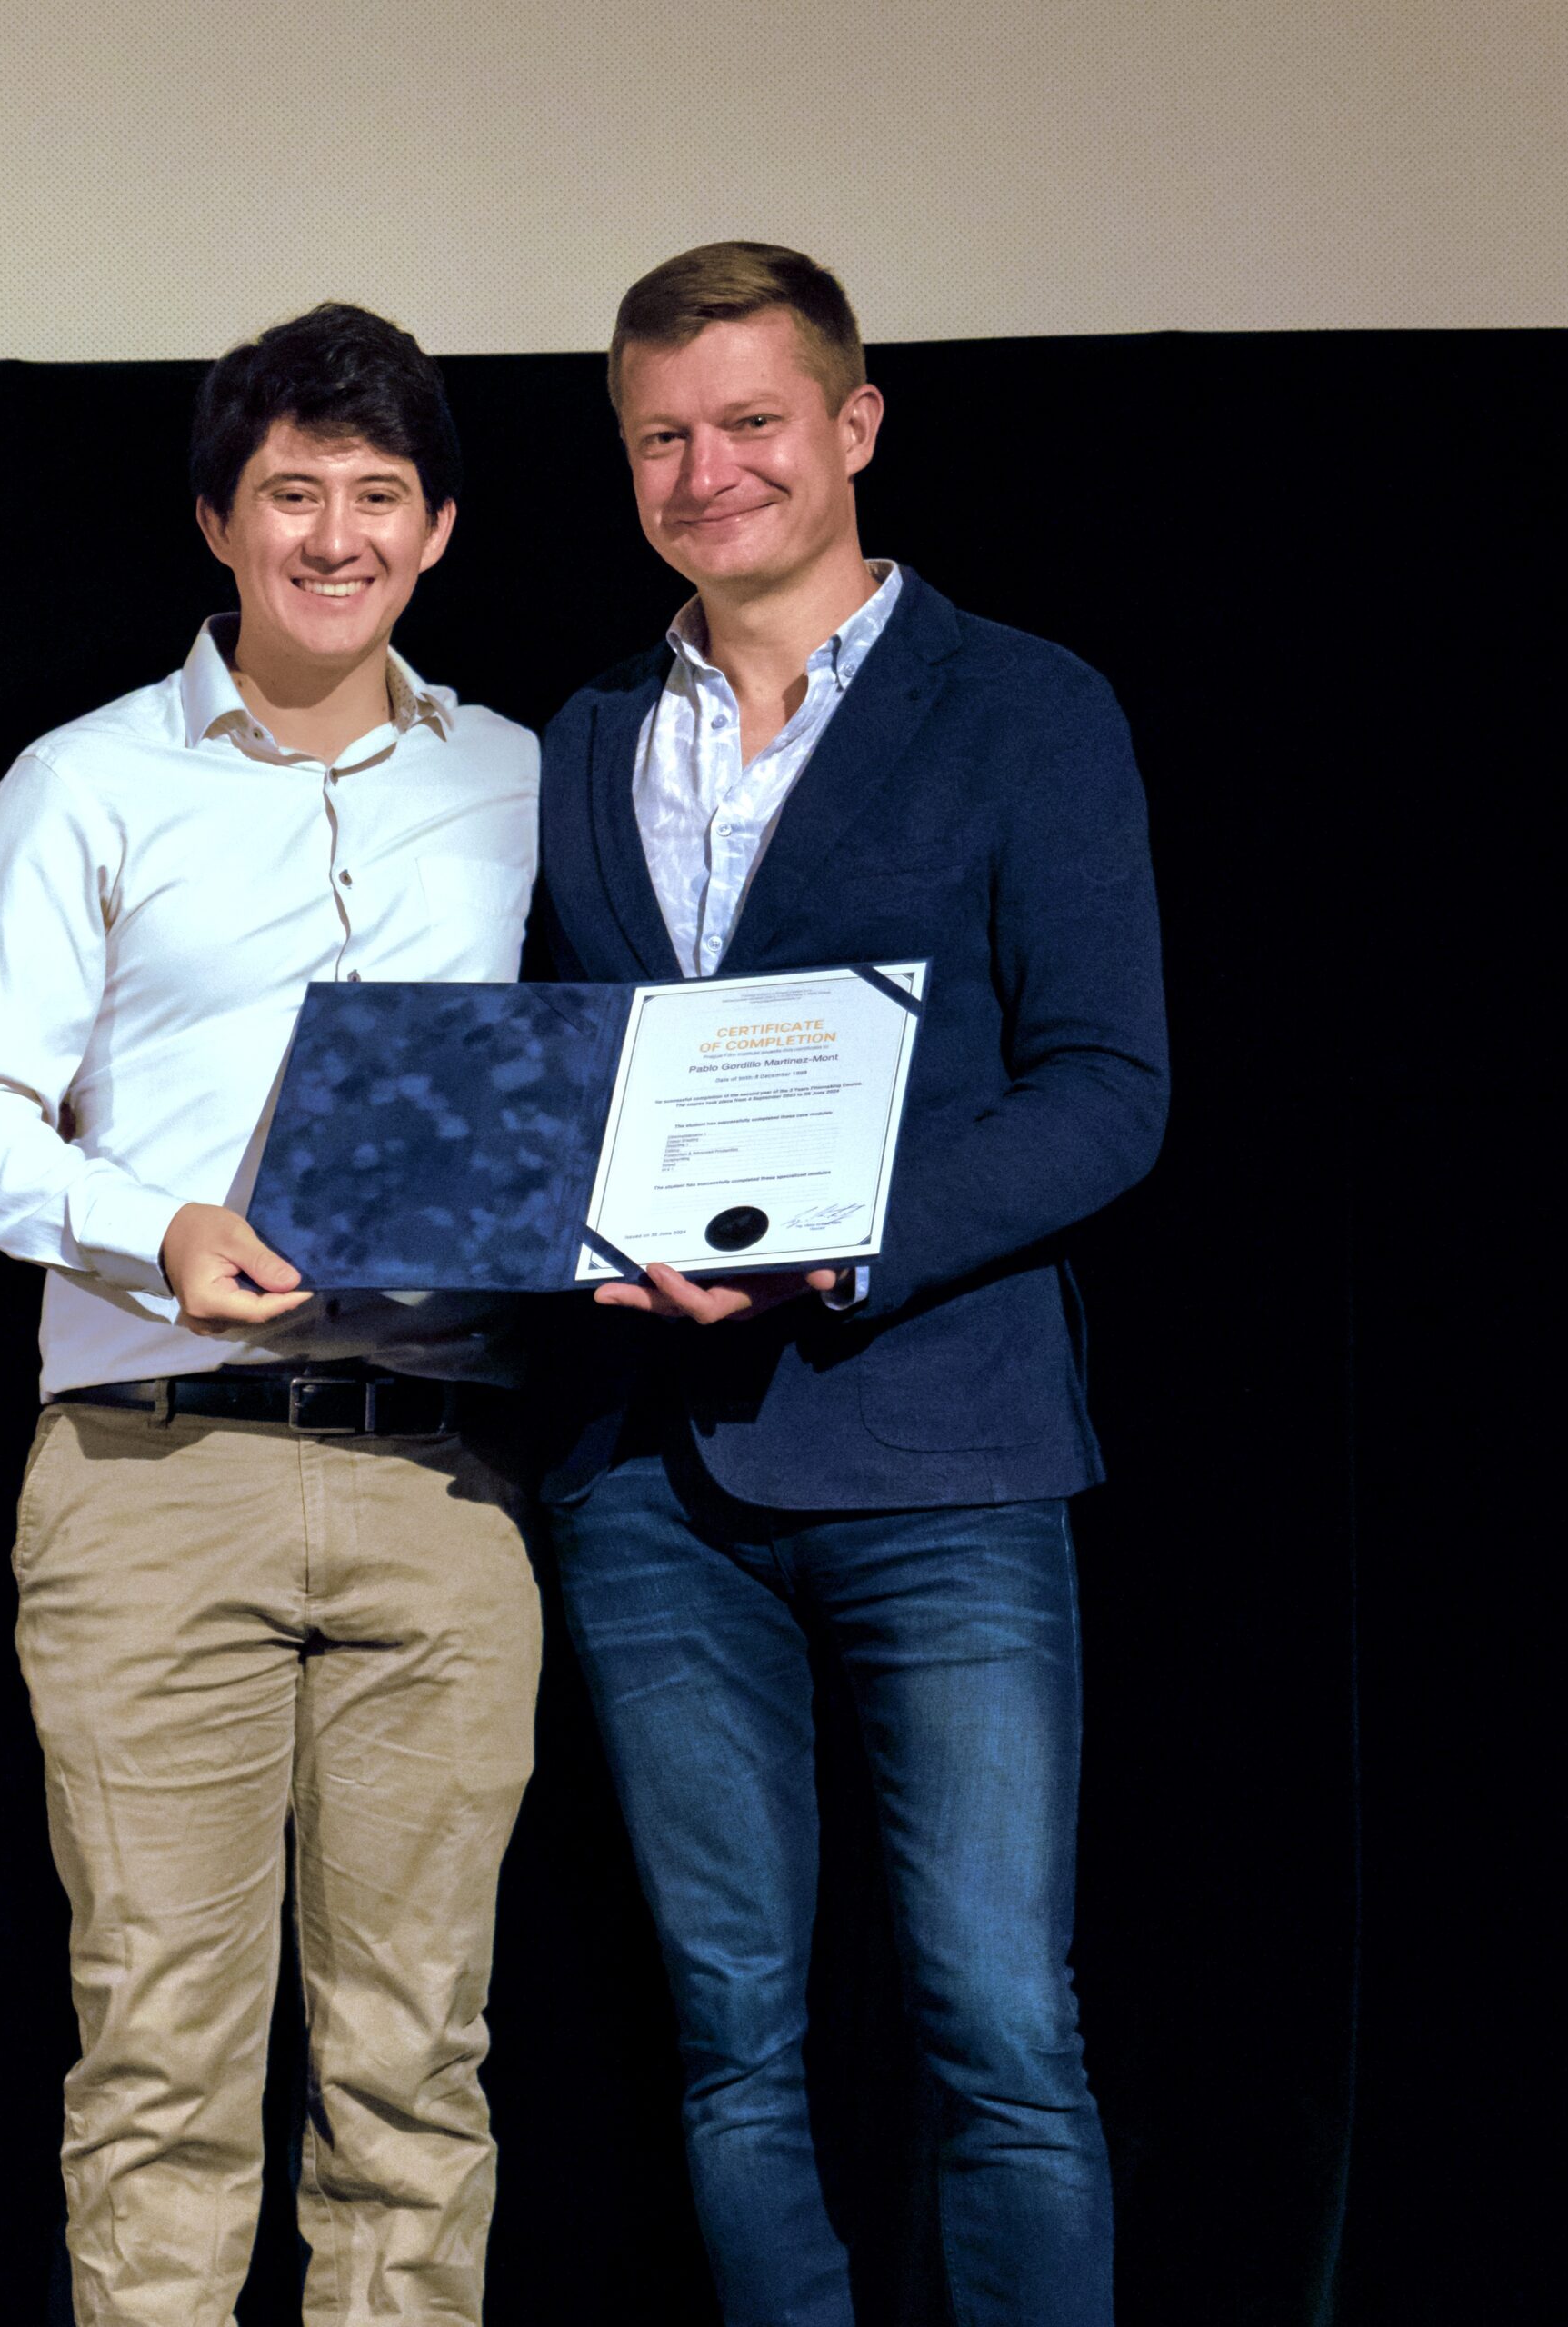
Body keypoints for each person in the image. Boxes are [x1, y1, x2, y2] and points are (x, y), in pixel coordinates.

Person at [533, 243, 1169, 2327]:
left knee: (998, 2022)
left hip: (942, 1452)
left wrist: (845, 1241)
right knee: (732, 2037)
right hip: (650, 1479)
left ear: (853, 425)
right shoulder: (584, 736)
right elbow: (568, 1075)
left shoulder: (1024, 705)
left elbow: (1105, 1089)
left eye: (749, 421)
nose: (705, 470)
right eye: (660, 436)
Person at [0, 303, 542, 2327]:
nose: (335, 536)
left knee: (416, 2072)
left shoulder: (527, 780)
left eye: (378, 494)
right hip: (152, 1470)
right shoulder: (81, 784)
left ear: (439, 528)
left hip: (438, 1481)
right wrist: (147, 1226)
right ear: (217, 520)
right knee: (164, 2069)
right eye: (291, 492)